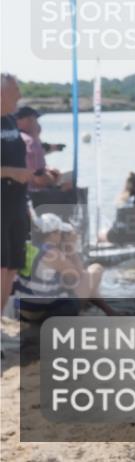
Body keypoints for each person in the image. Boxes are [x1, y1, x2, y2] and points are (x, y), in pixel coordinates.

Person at [14, 213, 113, 322]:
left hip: (23, 310)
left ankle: (110, 311)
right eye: (60, 233)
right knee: (95, 270)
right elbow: (79, 276)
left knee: (83, 283)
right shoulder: (52, 253)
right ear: (52, 234)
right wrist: (72, 247)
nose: (61, 236)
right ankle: (109, 311)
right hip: (43, 314)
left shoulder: (28, 246)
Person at [1, 73, 32, 321]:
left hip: (17, 202)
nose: (20, 96)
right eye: (15, 91)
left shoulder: (11, 120)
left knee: (12, 265)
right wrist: (10, 172)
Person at [15, 106, 70, 191]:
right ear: (28, 120)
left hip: (13, 190)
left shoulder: (13, 139)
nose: (39, 125)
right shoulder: (31, 143)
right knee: (69, 183)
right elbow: (40, 179)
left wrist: (54, 147)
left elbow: (40, 151)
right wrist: (56, 182)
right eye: (36, 120)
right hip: (30, 193)